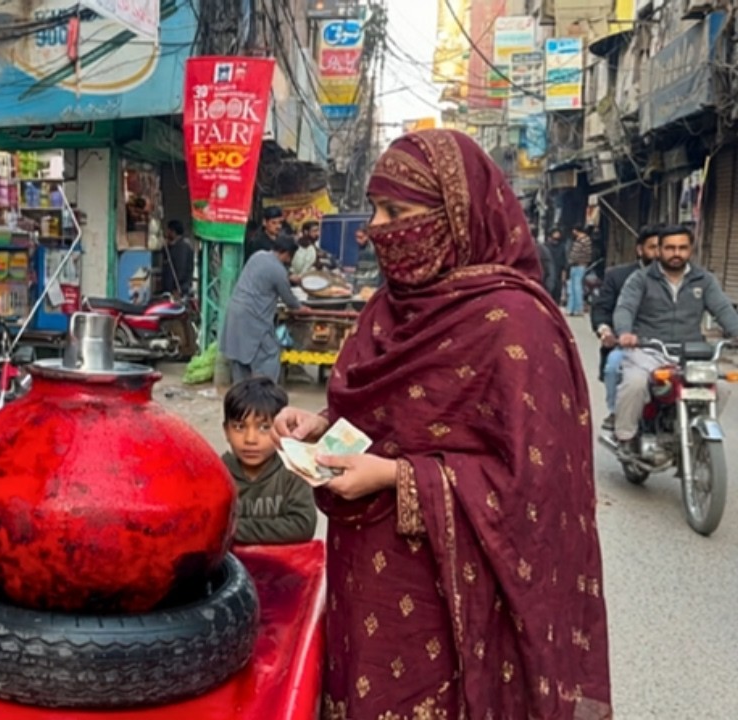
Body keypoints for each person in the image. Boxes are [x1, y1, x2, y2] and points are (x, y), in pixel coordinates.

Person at [272, 130, 611, 719]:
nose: (377, 227)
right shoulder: (386, 308)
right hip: (366, 580)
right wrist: (322, 425)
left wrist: (397, 479)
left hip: (452, 599)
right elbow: (385, 416)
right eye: (375, 210)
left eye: (397, 212)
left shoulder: (517, 326)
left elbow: (534, 492)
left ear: (455, 216)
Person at [612, 225, 738, 453]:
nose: (676, 253)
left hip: (691, 353)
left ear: (691, 250)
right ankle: (625, 437)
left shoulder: (704, 280)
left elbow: (723, 309)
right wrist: (625, 333)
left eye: (682, 247)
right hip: (648, 350)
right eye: (670, 248)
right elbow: (625, 308)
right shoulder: (640, 279)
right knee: (635, 384)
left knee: (720, 388)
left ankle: (696, 436)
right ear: (658, 250)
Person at [221, 378, 316, 545]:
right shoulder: (218, 473)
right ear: (226, 431)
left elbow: (303, 526)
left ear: (282, 429)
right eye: (239, 427)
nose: (250, 439)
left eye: (264, 427)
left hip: (283, 566)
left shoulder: (292, 470)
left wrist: (232, 529)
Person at [591, 226, 660, 430]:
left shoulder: (682, 278)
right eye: (652, 248)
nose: (658, 254)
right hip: (628, 345)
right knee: (614, 366)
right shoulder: (618, 276)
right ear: (640, 250)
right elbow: (602, 309)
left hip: (667, 346)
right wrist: (606, 330)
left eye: (662, 248)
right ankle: (616, 412)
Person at [220, 234, 312, 382]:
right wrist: (304, 309)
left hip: (235, 313)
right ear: (287, 254)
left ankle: (241, 399)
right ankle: (265, 394)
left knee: (240, 359)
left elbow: (265, 275)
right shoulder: (278, 271)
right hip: (254, 319)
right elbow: (291, 302)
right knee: (269, 355)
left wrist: (289, 278)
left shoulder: (258, 256)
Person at [160, 220, 195, 297]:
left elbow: (181, 268)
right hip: (175, 287)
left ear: (173, 231)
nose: (167, 233)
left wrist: (177, 286)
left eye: (168, 230)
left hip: (179, 288)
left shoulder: (182, 247)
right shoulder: (175, 245)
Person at [565, 226, 595, 316]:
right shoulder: (583, 240)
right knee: (573, 287)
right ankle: (571, 309)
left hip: (579, 265)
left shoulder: (583, 240)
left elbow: (576, 254)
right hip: (577, 265)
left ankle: (578, 308)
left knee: (576, 287)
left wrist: (570, 260)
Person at [543, 229, 569, 303]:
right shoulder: (546, 246)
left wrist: (564, 272)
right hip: (548, 272)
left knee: (557, 291)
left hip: (558, 272)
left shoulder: (562, 247)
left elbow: (564, 260)